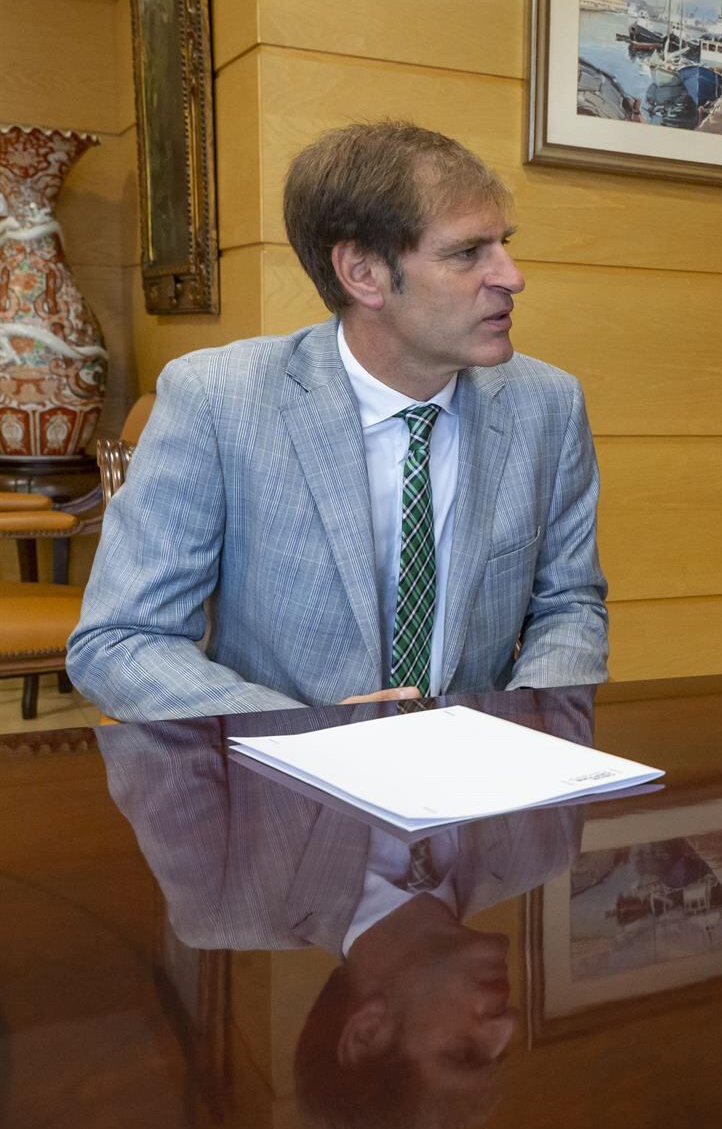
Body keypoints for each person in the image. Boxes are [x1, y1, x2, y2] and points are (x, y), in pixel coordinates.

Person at [69, 121, 608, 721]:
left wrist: (523, 736)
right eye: (467, 253)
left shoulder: (548, 404)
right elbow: (121, 640)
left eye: (504, 244)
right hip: (280, 792)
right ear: (362, 274)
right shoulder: (219, 399)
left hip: (480, 789)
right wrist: (310, 735)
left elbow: (568, 607)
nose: (512, 277)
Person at [97, 689, 595, 1129]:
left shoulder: (220, 899)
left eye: (466, 1053)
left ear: (367, 1032)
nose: (507, 1026)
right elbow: (568, 627)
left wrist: (311, 719)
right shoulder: (547, 845)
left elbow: (140, 696)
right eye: (500, 1052)